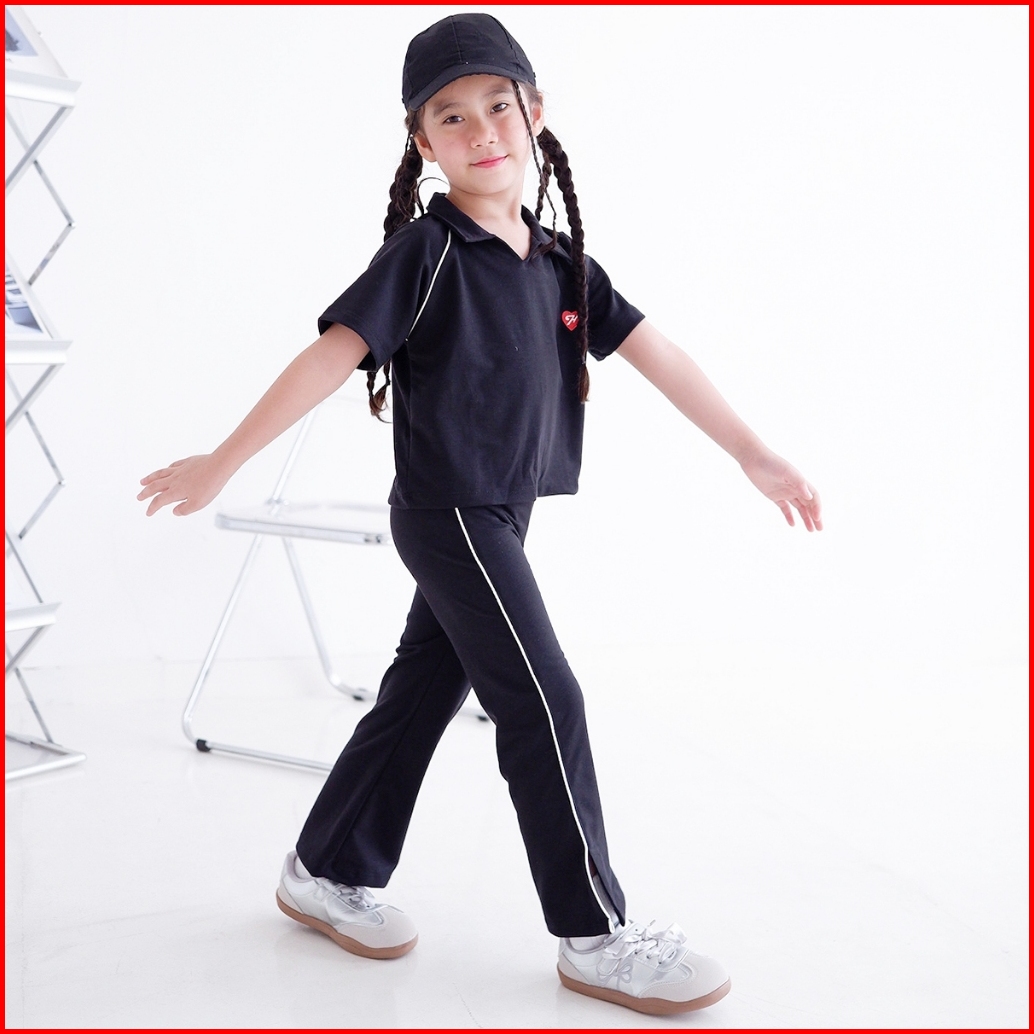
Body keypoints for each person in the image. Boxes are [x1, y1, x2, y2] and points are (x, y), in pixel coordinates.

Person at [138, 12, 822, 1017]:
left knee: (421, 691)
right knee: (546, 699)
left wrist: (752, 451)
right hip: (448, 511)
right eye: (450, 116)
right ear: (423, 142)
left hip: (503, 511)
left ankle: (323, 867)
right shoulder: (425, 252)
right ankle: (595, 933)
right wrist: (223, 461)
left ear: (534, 112)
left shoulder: (557, 263)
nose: (480, 129)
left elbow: (658, 352)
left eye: (497, 105)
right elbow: (330, 356)